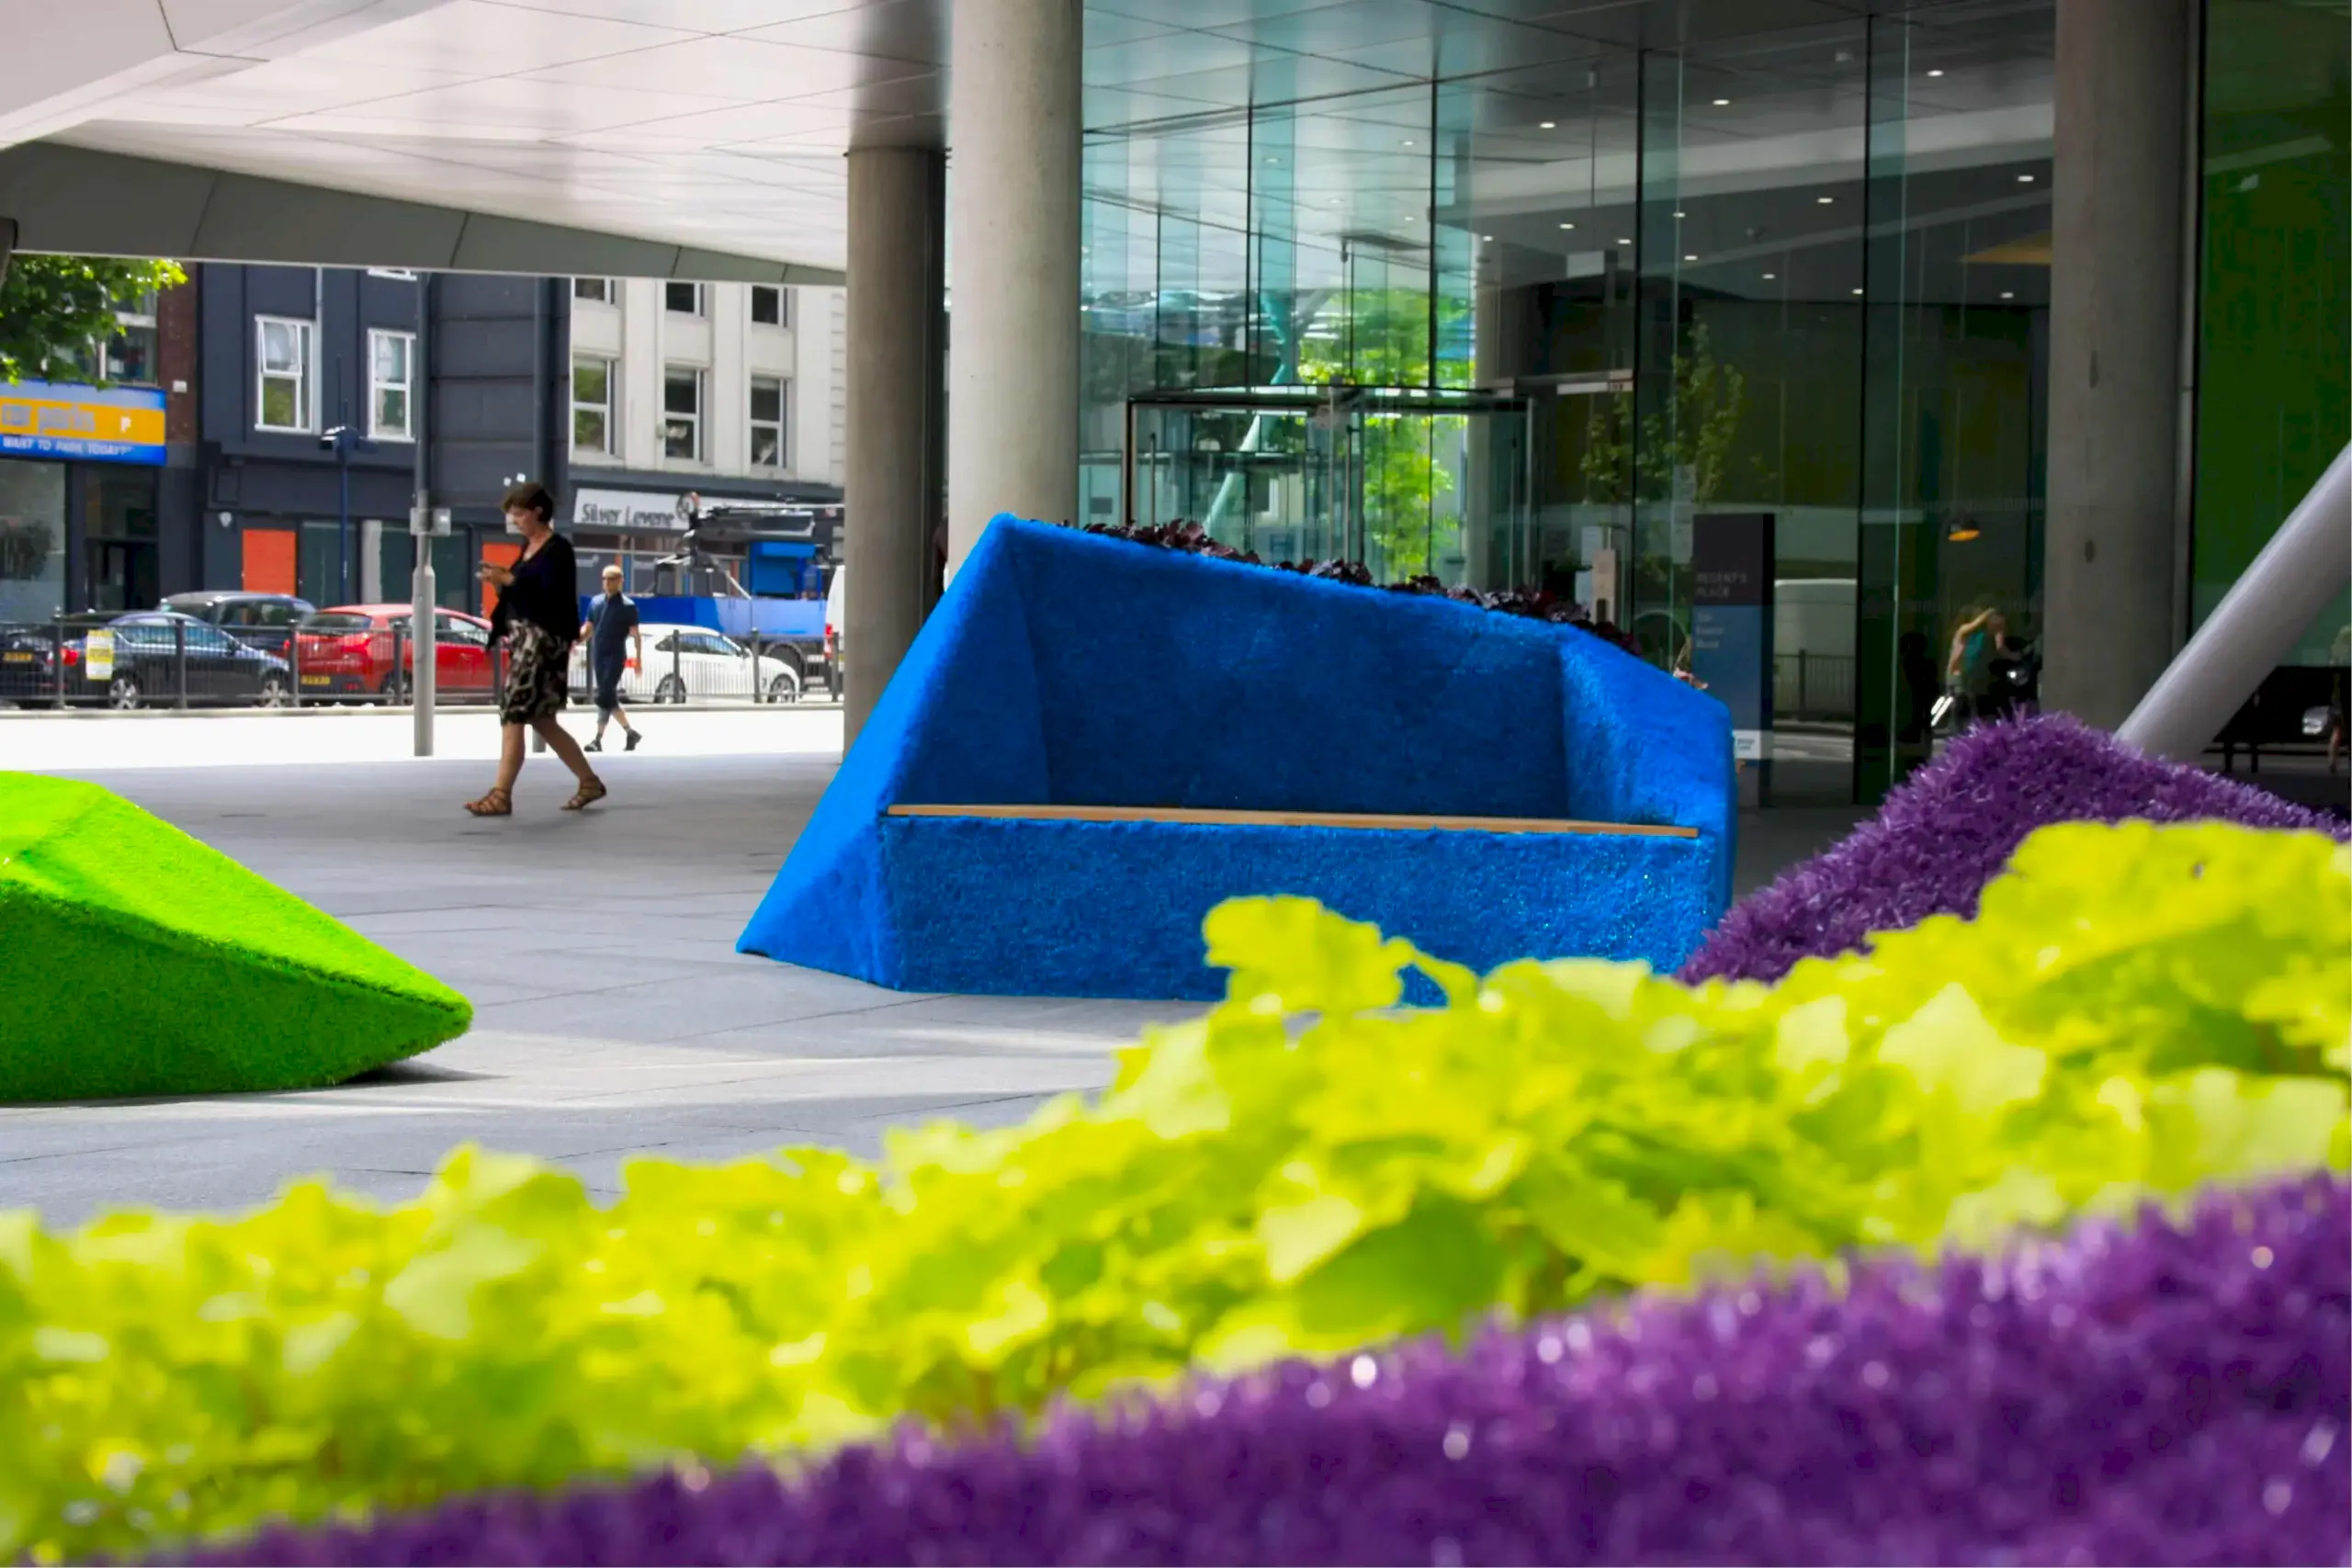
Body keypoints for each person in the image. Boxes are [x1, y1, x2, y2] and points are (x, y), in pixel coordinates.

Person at [464, 482, 605, 817]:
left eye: (519, 513)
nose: (515, 521)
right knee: (541, 717)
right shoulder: (527, 548)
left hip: (542, 642)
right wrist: (500, 582)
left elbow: (550, 596)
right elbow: (521, 596)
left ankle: (501, 794)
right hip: (524, 639)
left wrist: (511, 581)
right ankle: (589, 781)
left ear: (537, 512)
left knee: (513, 709)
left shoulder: (557, 550)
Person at [579, 564, 643, 754]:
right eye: (605, 579)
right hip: (598, 653)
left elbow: (635, 634)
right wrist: (575, 640)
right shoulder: (595, 603)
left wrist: (638, 659)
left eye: (612, 579)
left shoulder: (628, 606)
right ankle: (630, 732)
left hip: (616, 654)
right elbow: (588, 627)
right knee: (608, 697)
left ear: (620, 581)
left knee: (604, 694)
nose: (607, 583)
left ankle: (597, 740)